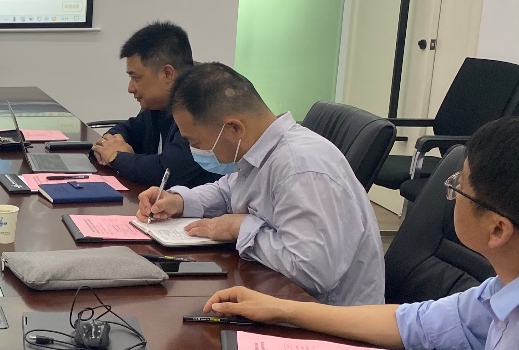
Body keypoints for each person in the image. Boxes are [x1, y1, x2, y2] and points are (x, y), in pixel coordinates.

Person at [204, 117, 519, 350]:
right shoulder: (500, 291)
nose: (452, 194)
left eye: (458, 188)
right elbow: (411, 323)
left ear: (497, 229)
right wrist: (284, 309)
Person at [136, 62, 384, 306]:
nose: (195, 151)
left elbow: (311, 272)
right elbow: (227, 192)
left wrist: (241, 228)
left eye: (197, 143)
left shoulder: (300, 167)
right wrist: (178, 201)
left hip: (328, 320)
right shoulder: (261, 150)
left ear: (234, 128)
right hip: (282, 298)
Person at [93, 22, 218, 188]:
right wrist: (107, 145)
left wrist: (116, 157)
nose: (130, 88)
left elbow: (168, 172)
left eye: (136, 78)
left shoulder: (203, 100)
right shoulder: (160, 100)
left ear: (167, 73)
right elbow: (131, 128)